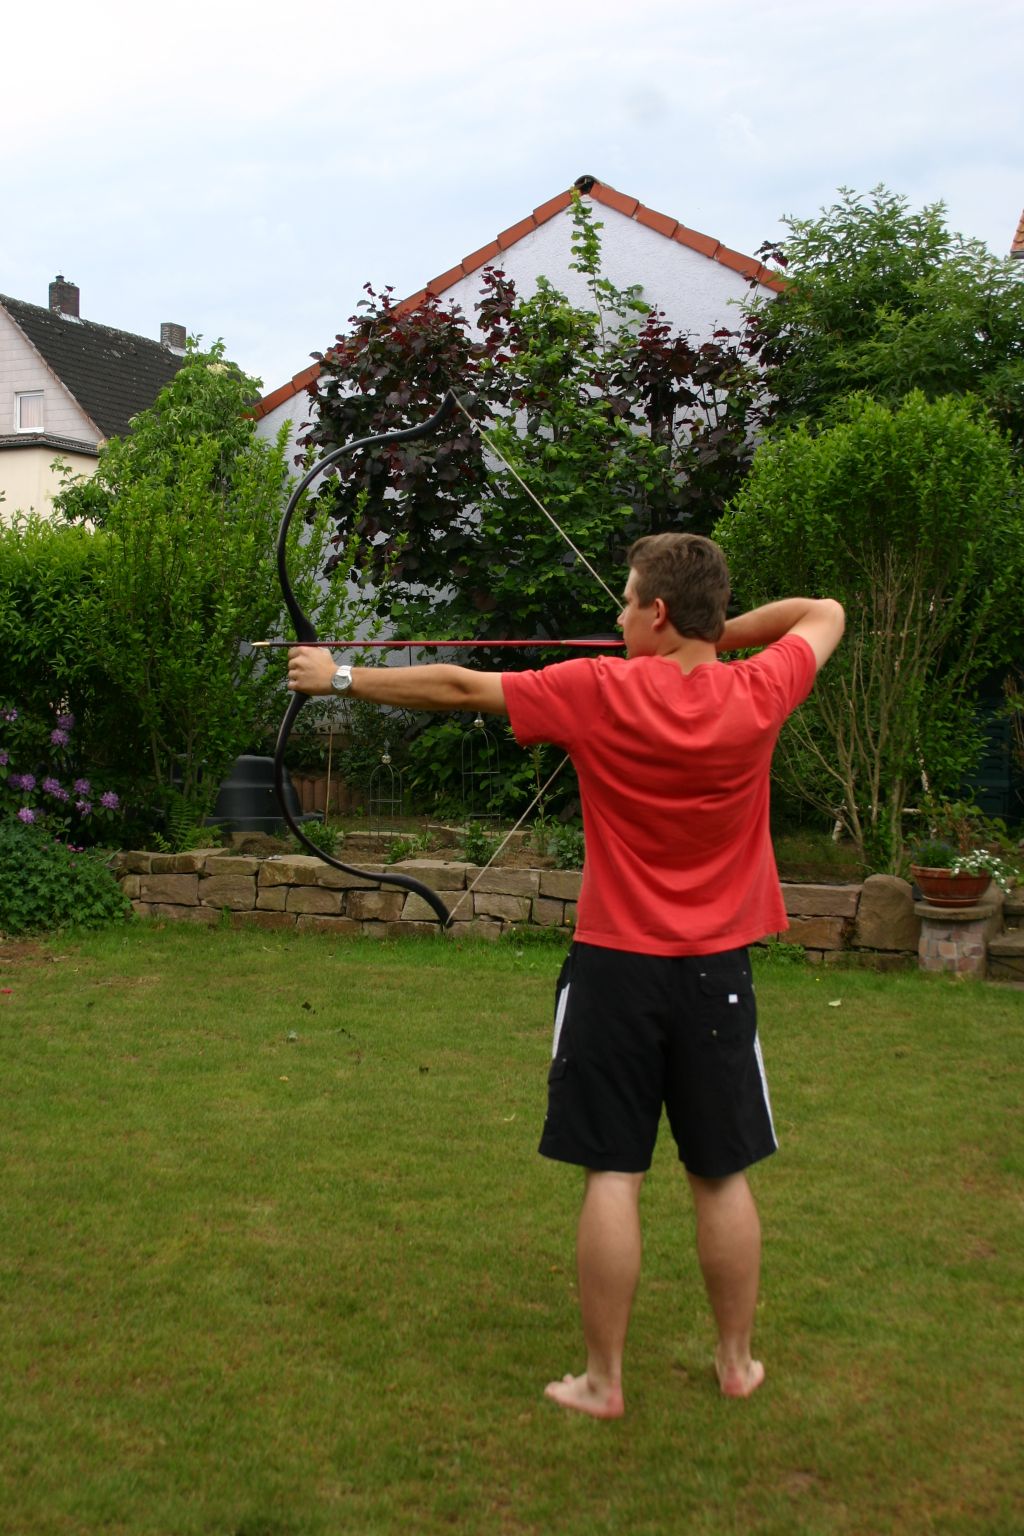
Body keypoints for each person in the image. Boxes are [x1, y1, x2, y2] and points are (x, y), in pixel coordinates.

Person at [287, 532, 844, 1420]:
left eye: (628, 602)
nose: (617, 617)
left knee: (613, 1174)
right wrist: (716, 633)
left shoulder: (598, 690)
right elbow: (825, 612)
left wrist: (339, 677)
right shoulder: (761, 688)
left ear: (657, 613)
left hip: (616, 969)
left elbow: (461, 689)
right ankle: (736, 1364)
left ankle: (603, 1382)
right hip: (716, 972)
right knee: (721, 1174)